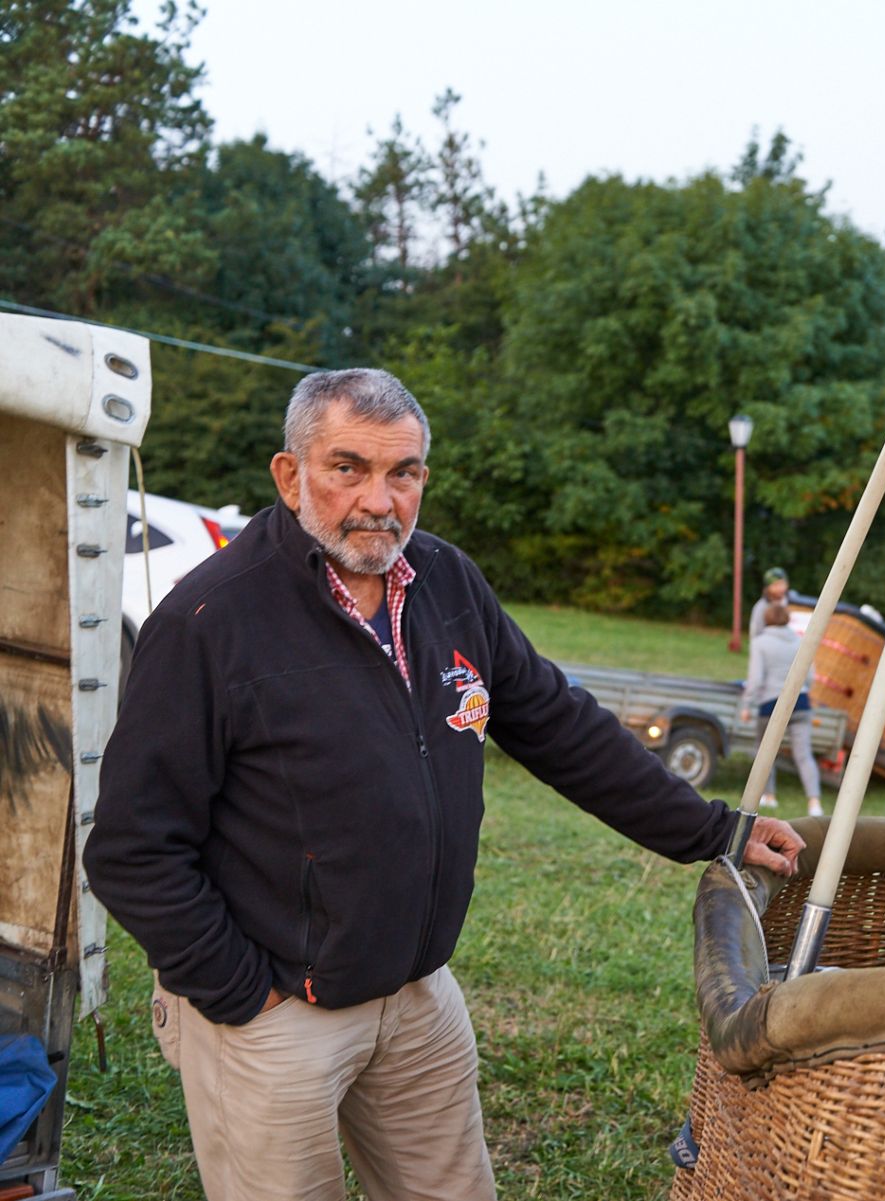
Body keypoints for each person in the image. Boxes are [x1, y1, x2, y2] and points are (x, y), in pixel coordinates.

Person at [82, 369, 804, 1201]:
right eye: (347, 468)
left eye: (405, 472)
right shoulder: (209, 623)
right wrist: (242, 992)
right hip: (274, 1015)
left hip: (418, 994)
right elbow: (134, 849)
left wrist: (715, 828)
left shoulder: (447, 584)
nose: (379, 500)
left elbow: (558, 725)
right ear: (290, 476)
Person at [739, 600, 825, 817]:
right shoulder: (800, 641)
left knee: (766, 752)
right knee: (803, 754)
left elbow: (756, 679)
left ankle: (769, 796)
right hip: (801, 701)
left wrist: (747, 704)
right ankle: (814, 803)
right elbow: (811, 676)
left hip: (771, 703)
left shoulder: (760, 642)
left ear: (766, 620)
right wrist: (804, 690)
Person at [747, 567, 790, 642]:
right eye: (776, 585)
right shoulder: (761, 608)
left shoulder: (792, 604)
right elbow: (756, 635)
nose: (780, 588)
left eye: (782, 584)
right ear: (768, 587)